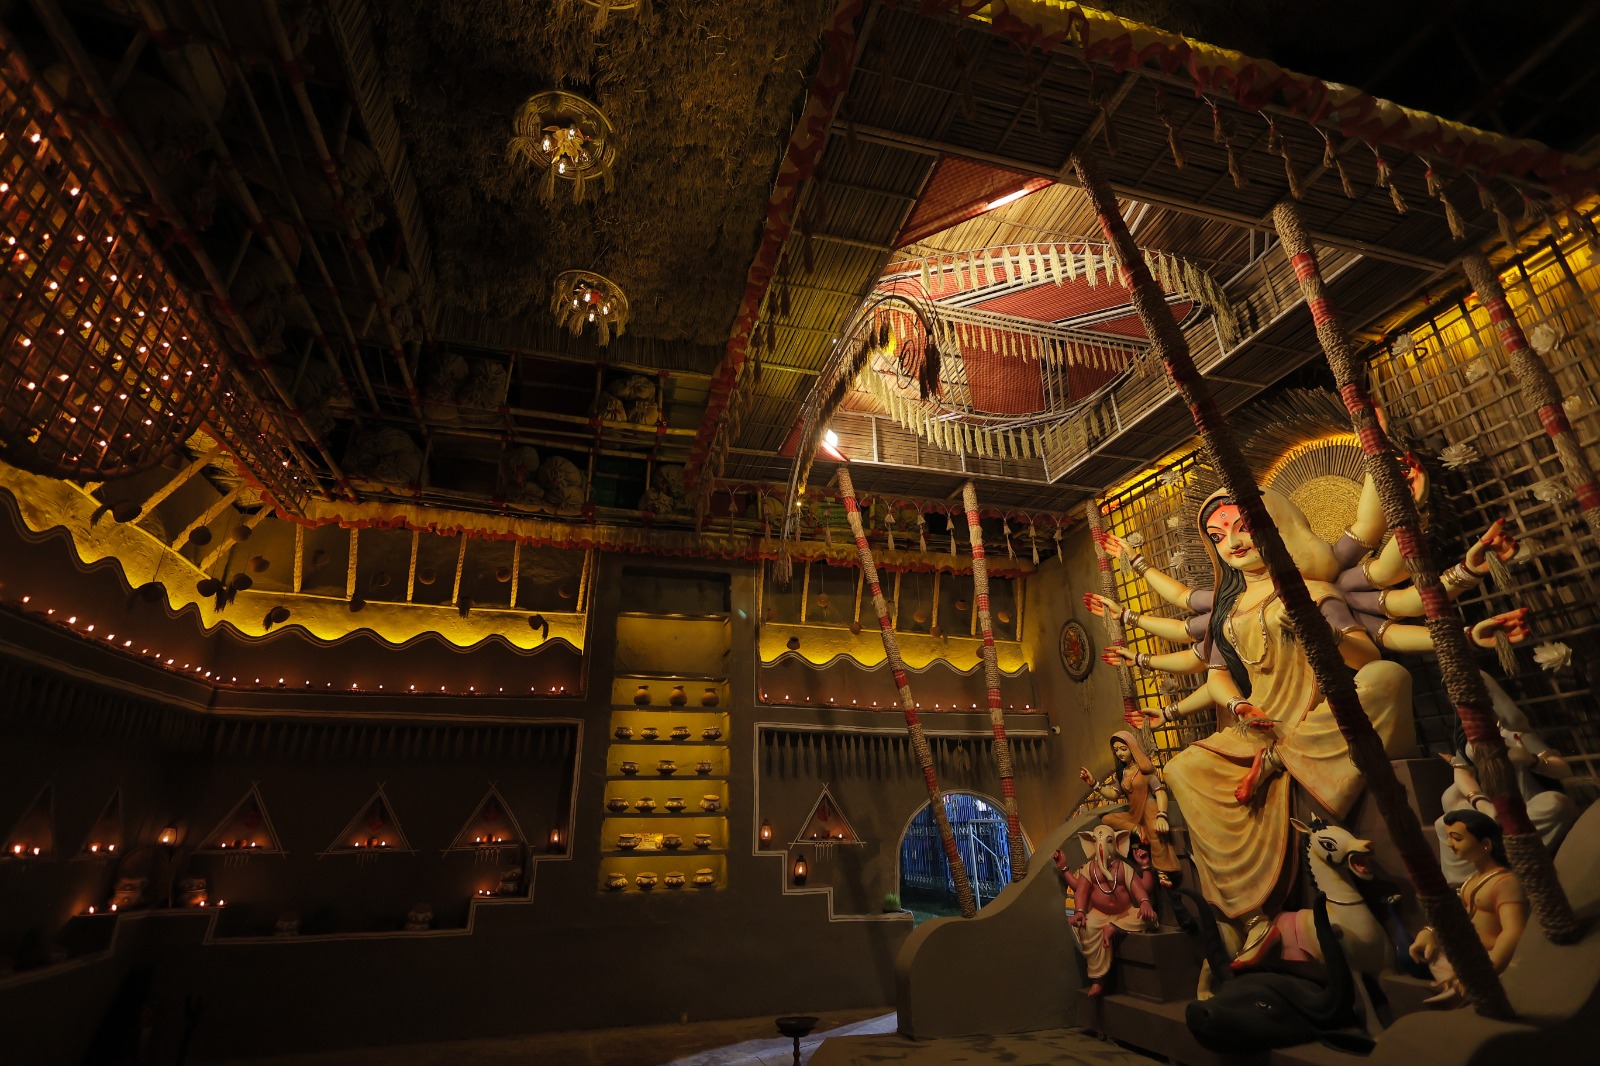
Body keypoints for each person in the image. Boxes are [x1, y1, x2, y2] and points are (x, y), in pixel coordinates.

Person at [1158, 487, 1417, 969]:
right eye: (1218, 536)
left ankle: (1279, 761)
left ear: (1275, 527)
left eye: (1243, 528)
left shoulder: (1311, 592)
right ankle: (1251, 915)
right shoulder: (1228, 611)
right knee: (1182, 768)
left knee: (1387, 679)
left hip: (1313, 715)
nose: (1233, 543)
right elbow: (1218, 677)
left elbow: (1366, 656)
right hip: (1257, 724)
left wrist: (1324, 633)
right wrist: (1237, 705)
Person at [1435, 672, 1579, 883]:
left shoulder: (1514, 733)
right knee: (1444, 823)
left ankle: (1511, 851)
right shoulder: (1467, 739)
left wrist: (1531, 760)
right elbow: (1462, 773)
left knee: (1556, 805)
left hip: (1524, 803)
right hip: (1487, 807)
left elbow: (1563, 769)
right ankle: (1468, 879)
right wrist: (1482, 804)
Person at [1409, 809, 1527, 1006]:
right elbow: (1457, 918)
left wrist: (1487, 970)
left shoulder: (1505, 882)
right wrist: (1429, 932)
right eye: (1448, 837)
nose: (1450, 844)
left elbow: (1513, 931)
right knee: (1435, 952)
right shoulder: (1471, 881)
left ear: (1485, 844)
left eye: (1457, 838)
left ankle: (1466, 987)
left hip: (1496, 959)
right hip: (1474, 954)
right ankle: (1457, 985)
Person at [1078, 730, 1180, 885]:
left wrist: (1162, 815)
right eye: (1116, 750)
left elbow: (1160, 792)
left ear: (1132, 748)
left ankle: (1162, 870)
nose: (1120, 753)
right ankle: (1136, 829)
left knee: (1155, 832)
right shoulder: (1123, 773)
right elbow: (1113, 794)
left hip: (1149, 809)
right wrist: (1094, 784)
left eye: (1123, 749)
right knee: (1106, 819)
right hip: (1133, 814)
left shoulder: (1144, 770)